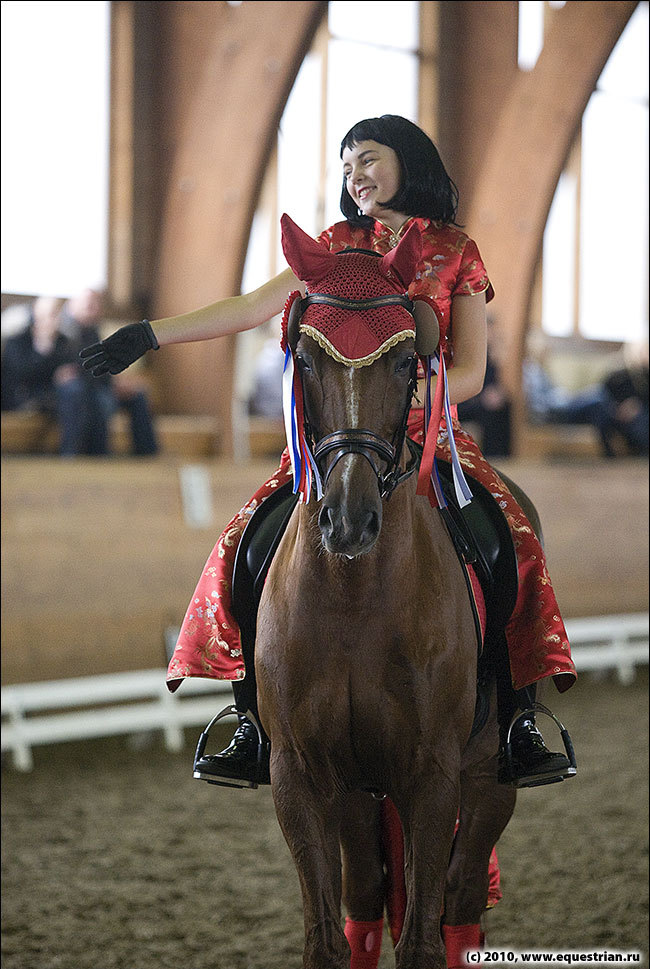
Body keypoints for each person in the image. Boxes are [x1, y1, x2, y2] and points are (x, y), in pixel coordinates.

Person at [80, 114, 577, 788]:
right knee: (246, 542)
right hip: (335, 441)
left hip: (427, 435)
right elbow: (252, 305)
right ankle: (253, 717)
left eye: (367, 159)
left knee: (512, 538)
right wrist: (148, 334)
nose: (355, 176)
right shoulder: (334, 247)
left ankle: (517, 716)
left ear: (408, 160)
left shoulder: (455, 249)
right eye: (346, 167)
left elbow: (472, 374)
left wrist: (412, 403)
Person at [61, 289, 158, 457]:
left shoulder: (92, 331)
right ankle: (99, 456)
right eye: (88, 304)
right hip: (79, 391)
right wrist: (112, 384)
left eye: (96, 304)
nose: (92, 308)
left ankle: (147, 455)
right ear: (72, 306)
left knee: (137, 395)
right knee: (100, 399)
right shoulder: (65, 333)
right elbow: (75, 369)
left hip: (100, 385)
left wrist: (116, 383)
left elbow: (100, 364)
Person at [1, 295, 102, 455]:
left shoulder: (65, 342)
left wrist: (67, 373)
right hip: (24, 396)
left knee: (82, 391)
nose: (49, 320)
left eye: (54, 314)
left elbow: (77, 368)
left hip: (55, 396)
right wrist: (44, 349)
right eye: (45, 315)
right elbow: (18, 374)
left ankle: (75, 454)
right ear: (34, 315)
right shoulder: (18, 341)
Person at [457, 318, 512, 458]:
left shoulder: (491, 353)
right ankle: (491, 454)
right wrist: (483, 397)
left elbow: (493, 383)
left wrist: (498, 394)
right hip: (466, 400)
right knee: (488, 410)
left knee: (506, 406)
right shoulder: (473, 351)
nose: (492, 333)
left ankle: (504, 454)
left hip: (481, 397)